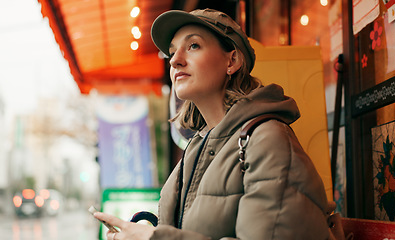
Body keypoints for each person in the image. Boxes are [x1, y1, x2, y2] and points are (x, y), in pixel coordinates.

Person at [94, 8, 335, 240]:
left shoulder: (268, 139)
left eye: (193, 45)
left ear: (232, 61)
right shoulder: (195, 147)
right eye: (172, 51)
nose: (175, 60)